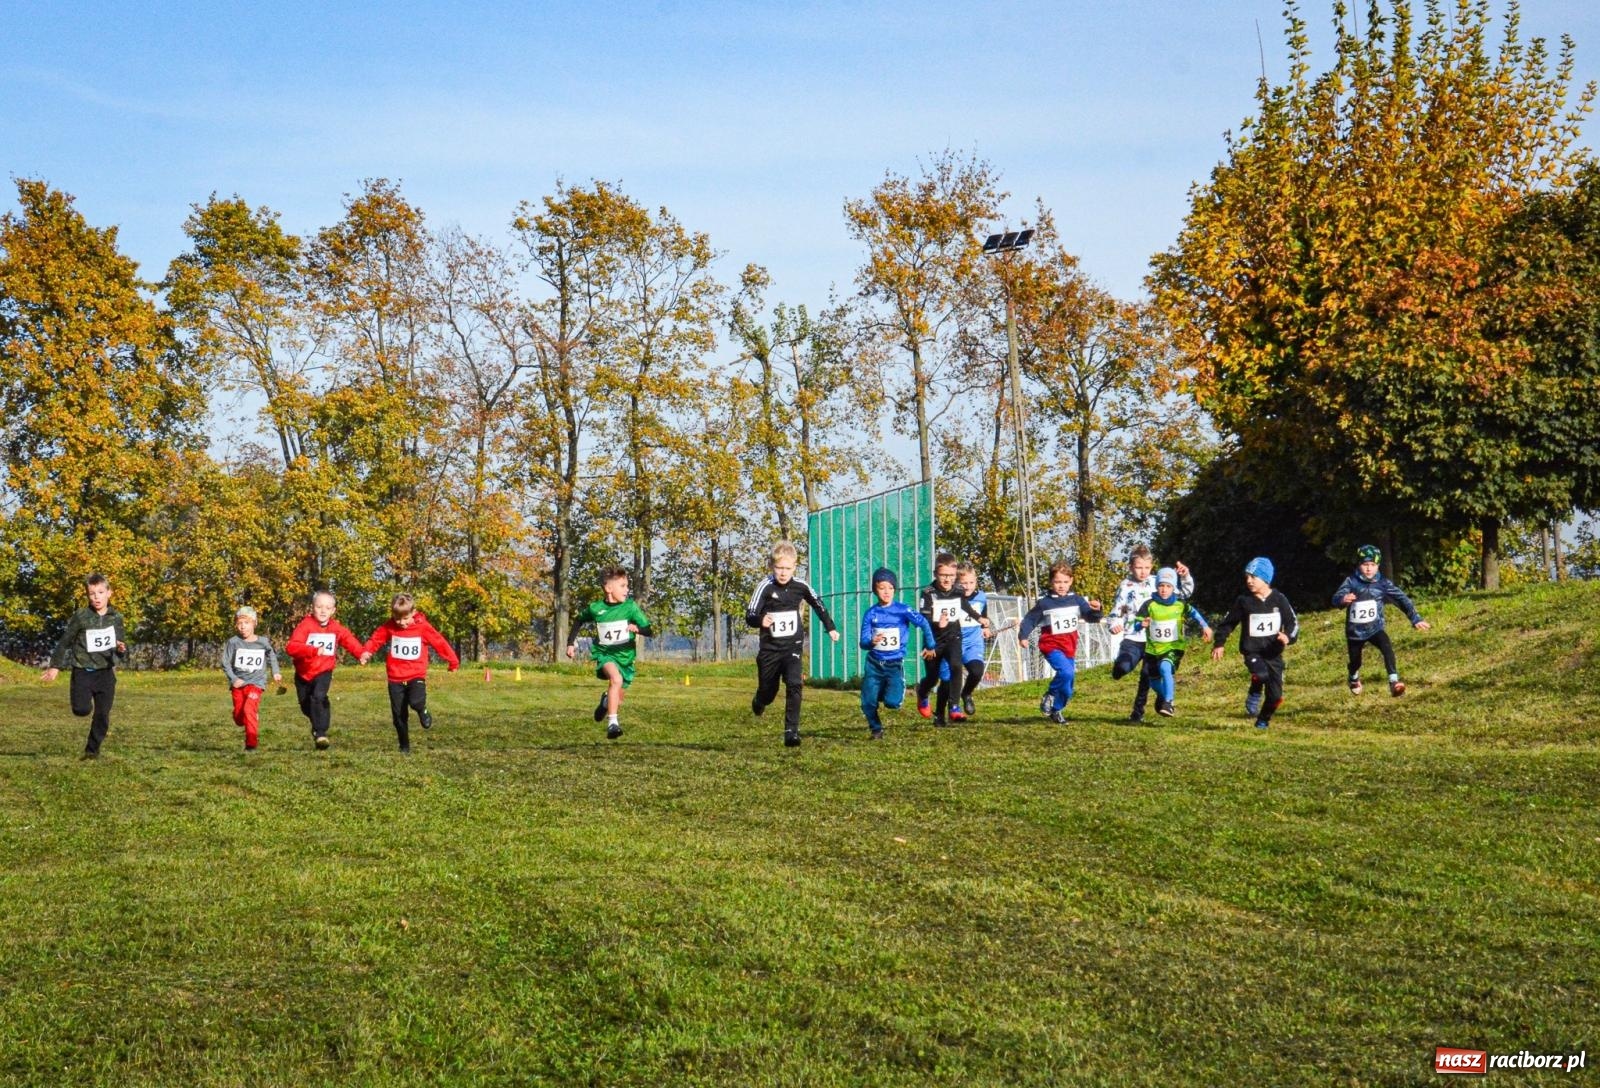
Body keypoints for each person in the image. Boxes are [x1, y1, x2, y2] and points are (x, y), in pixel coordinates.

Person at [746, 540, 840, 748]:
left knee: (795, 683)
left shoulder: (801, 586)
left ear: (795, 567)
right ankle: (760, 700)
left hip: (792, 647)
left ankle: (791, 732)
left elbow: (818, 604)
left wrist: (830, 627)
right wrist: (760, 619)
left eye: (787, 568)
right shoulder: (765, 586)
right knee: (768, 692)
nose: (783, 573)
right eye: (779, 568)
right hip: (770, 650)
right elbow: (750, 613)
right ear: (772, 566)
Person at [40, 573, 129, 760]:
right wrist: (55, 666)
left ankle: (91, 751)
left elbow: (121, 647)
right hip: (83, 671)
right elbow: (65, 642)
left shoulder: (116, 618)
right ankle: (80, 703)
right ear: (88, 595)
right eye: (92, 593)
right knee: (81, 709)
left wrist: (121, 649)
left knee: (102, 715)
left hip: (106, 672)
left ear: (109, 593)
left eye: (100, 592)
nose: (96, 597)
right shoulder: (81, 616)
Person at [362, 594, 460, 753]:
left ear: (413, 612)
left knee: (416, 701)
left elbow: (439, 642)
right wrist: (366, 652)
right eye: (397, 618)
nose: (401, 622)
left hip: (416, 675)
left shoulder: (423, 627)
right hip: (395, 678)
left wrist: (453, 661)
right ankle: (404, 746)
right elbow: (376, 639)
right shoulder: (390, 626)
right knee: (399, 716)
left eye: (405, 618)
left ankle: (423, 710)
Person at [1107, 544, 1195, 722]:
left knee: (1146, 677)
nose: (1143, 572)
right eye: (1139, 568)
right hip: (1132, 636)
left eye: (1147, 568)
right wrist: (1115, 623)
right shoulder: (1125, 586)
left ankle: (1138, 713)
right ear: (1131, 567)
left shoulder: (1158, 583)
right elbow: (1117, 611)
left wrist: (1185, 576)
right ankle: (1119, 669)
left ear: (1152, 567)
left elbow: (1184, 593)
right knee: (1123, 667)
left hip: (1153, 641)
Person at [1211, 557, 1300, 731]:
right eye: (1247, 577)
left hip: (1273, 654)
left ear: (1265, 579)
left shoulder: (1279, 599)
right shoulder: (1244, 601)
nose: (1249, 581)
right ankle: (1254, 691)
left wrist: (1288, 637)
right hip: (1252, 652)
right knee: (1261, 675)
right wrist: (1219, 643)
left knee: (1276, 696)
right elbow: (1228, 623)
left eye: (1253, 577)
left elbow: (1293, 623)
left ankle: (1263, 720)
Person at [567, 565, 654, 740]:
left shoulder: (630, 607)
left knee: (618, 697)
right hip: (604, 654)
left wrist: (638, 629)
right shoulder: (596, 608)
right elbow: (578, 620)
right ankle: (613, 724)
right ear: (608, 588)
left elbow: (649, 630)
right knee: (616, 679)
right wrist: (570, 643)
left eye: (627, 586)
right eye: (622, 586)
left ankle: (606, 702)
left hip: (626, 658)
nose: (627, 590)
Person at [1333, 544, 1431, 696]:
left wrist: (1415, 618)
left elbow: (1402, 599)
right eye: (1365, 564)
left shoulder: (1383, 584)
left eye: (1373, 565)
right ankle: (1353, 677)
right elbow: (1336, 598)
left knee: (1387, 647)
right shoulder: (1351, 582)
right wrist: (1343, 599)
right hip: (1355, 632)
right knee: (1355, 661)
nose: (1369, 569)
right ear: (1359, 565)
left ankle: (1394, 682)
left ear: (1378, 566)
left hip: (1375, 628)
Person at [1017, 562, 1105, 724]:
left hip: (1069, 648)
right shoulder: (1045, 603)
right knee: (1066, 672)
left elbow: (1090, 617)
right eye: (1058, 582)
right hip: (1051, 646)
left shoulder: (1077, 600)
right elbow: (1030, 619)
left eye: (1065, 582)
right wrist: (1023, 636)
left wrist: (1097, 610)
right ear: (1051, 582)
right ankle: (1050, 695)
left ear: (1071, 581)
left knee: (1068, 688)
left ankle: (1056, 709)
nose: (1061, 586)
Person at [858, 567, 937, 739]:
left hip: (894, 664)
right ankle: (876, 729)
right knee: (867, 703)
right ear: (875, 590)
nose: (886, 592)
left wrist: (930, 645)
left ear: (895, 589)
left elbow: (923, 623)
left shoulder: (903, 610)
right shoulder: (870, 613)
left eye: (890, 588)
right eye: (882, 588)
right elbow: (862, 643)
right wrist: (871, 642)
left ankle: (891, 690)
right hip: (874, 664)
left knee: (892, 703)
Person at [283, 590, 367, 750]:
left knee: (317, 697)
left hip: (324, 671)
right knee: (306, 705)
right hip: (303, 673)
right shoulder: (305, 626)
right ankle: (321, 716)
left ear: (333, 611)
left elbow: (348, 640)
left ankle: (320, 733)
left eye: (327, 608)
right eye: (319, 607)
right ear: (312, 608)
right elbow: (291, 647)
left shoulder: (336, 628)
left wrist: (360, 653)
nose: (323, 611)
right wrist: (312, 650)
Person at [915, 552, 989, 725]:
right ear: (935, 574)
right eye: (943, 575)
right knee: (933, 678)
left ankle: (954, 707)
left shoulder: (957, 590)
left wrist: (979, 618)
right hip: (934, 641)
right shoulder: (928, 593)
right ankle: (922, 692)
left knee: (956, 667)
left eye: (950, 576)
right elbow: (922, 619)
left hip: (954, 637)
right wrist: (936, 624)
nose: (947, 579)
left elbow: (964, 606)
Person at [1131, 568, 1213, 719]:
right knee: (1154, 682)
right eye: (1161, 585)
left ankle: (1168, 702)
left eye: (1168, 586)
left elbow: (1194, 612)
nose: (1164, 589)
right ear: (1156, 586)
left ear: (1174, 587)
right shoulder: (1149, 605)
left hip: (1174, 647)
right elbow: (1136, 624)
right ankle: (1167, 697)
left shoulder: (1180, 604)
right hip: (1153, 650)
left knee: (1165, 668)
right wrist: (1142, 624)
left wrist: (1205, 626)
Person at [221, 605, 282, 751]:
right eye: (239, 623)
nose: (242, 627)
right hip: (238, 684)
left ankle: (251, 744)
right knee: (239, 717)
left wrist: (275, 671)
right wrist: (234, 678)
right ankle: (248, 717)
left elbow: (271, 655)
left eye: (246, 623)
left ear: (254, 623)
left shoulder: (262, 642)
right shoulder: (233, 642)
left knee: (249, 709)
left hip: (256, 683)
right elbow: (225, 662)